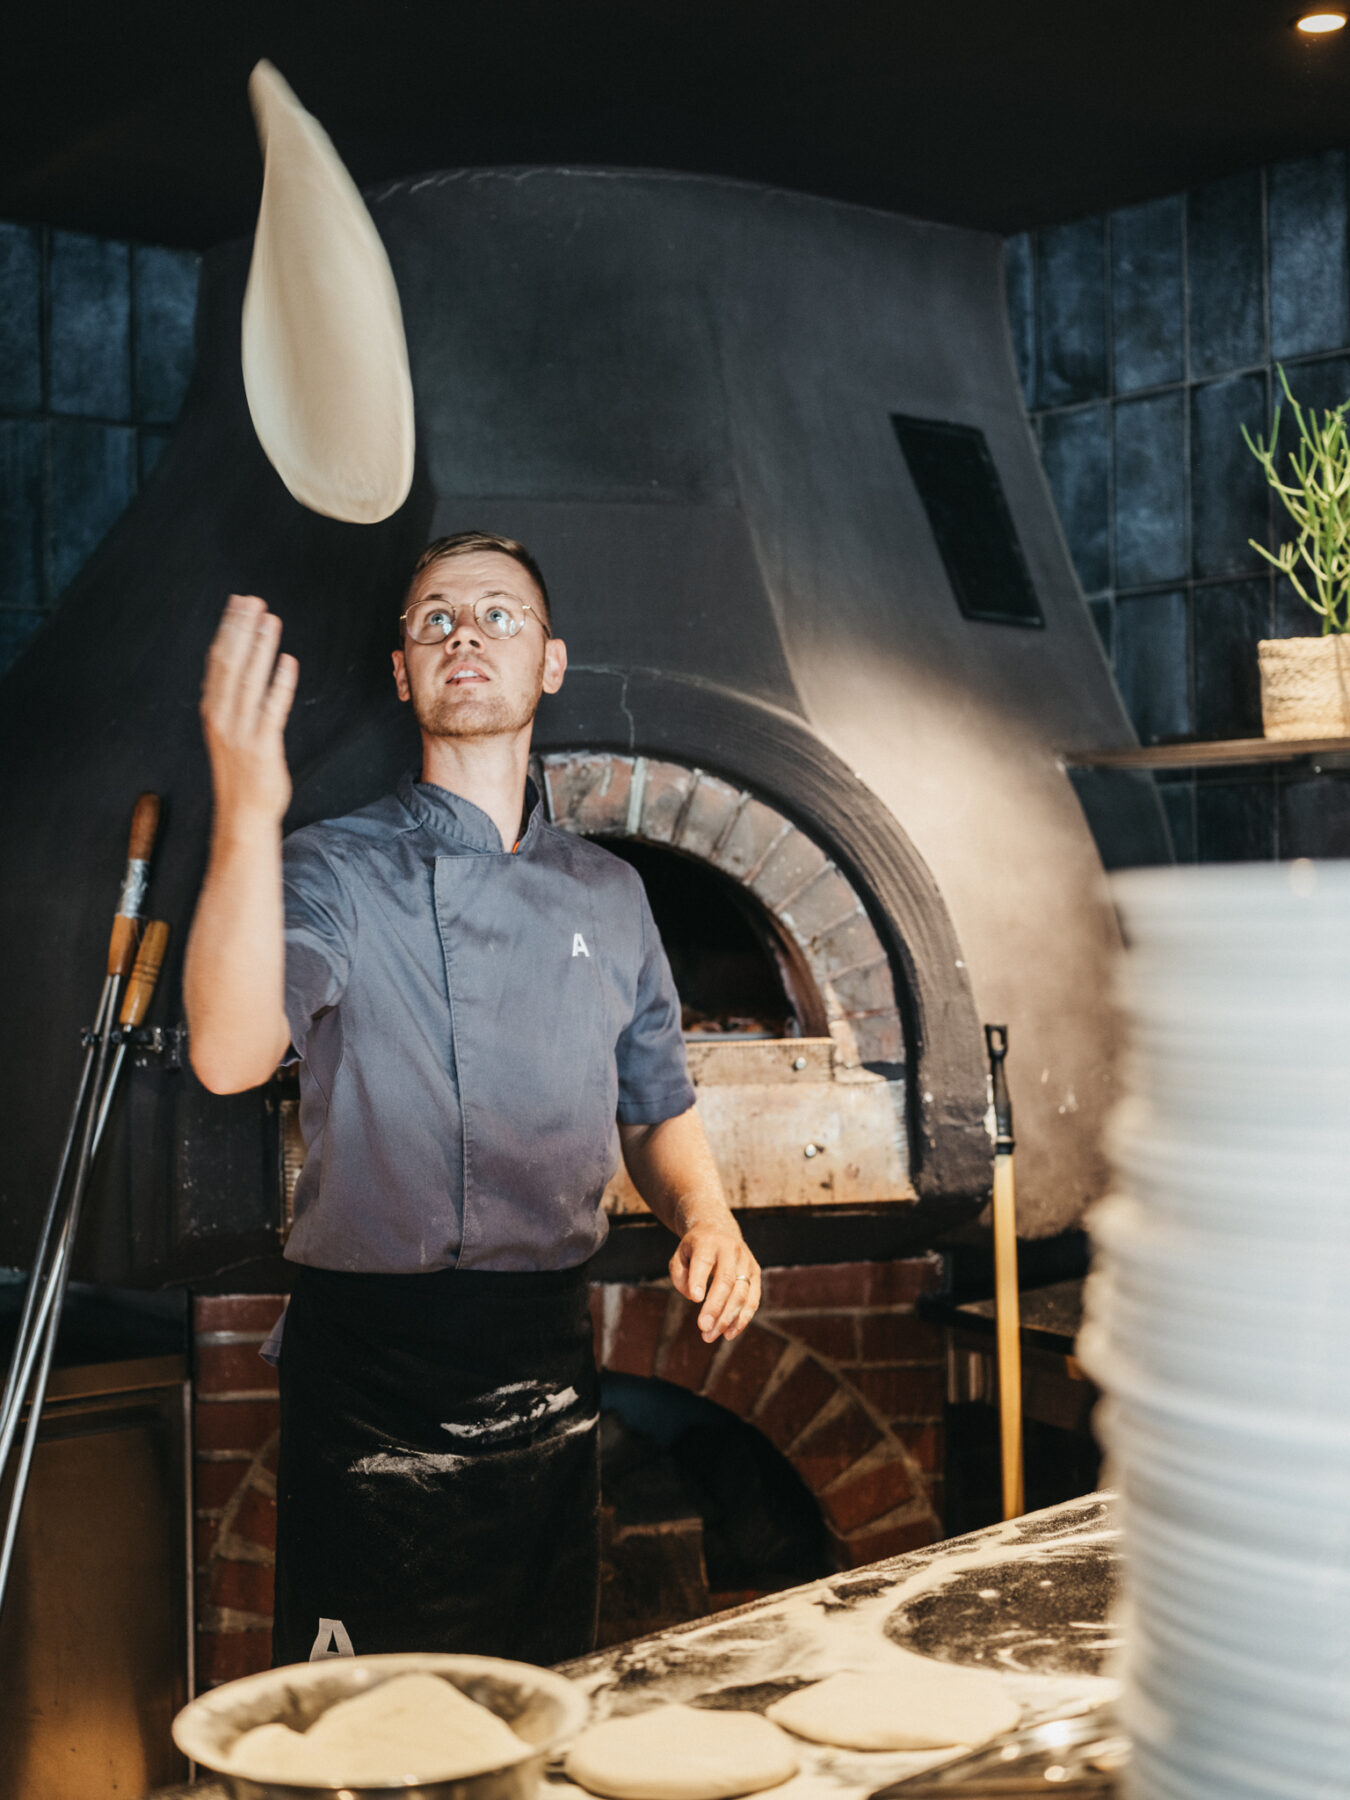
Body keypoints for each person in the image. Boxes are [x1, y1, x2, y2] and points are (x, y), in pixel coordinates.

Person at [183, 531, 761, 1666]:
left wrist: (708, 1214)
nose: (464, 634)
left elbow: (654, 1104)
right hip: (375, 1379)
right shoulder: (331, 868)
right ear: (403, 671)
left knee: (537, 1697)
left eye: (499, 615)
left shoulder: (614, 891)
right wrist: (247, 813)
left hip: (549, 1354)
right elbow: (228, 1054)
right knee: (362, 1741)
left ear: (549, 662)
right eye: (435, 618)